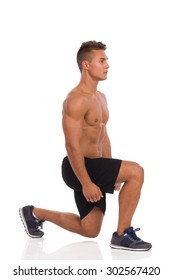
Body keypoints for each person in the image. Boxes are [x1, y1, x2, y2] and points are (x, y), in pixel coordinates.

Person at [19, 41, 152, 251]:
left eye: (106, 60)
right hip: (79, 167)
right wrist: (86, 182)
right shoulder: (75, 100)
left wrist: (112, 172)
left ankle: (34, 213)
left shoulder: (101, 97)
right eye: (102, 60)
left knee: (90, 229)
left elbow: (103, 135)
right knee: (136, 171)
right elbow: (71, 145)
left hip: (96, 166)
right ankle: (122, 235)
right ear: (86, 65)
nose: (107, 65)